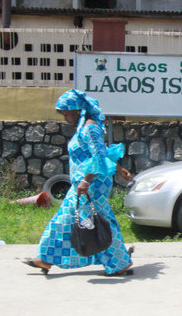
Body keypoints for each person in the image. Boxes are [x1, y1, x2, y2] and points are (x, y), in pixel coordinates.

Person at [22, 89, 134, 276]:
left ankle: (120, 262)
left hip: (92, 184)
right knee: (65, 219)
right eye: (63, 114)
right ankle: (45, 258)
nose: (65, 117)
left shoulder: (90, 128)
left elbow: (98, 156)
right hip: (84, 183)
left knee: (98, 221)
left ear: (79, 110)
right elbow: (102, 153)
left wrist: (86, 181)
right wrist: (119, 169)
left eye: (67, 113)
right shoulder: (85, 128)